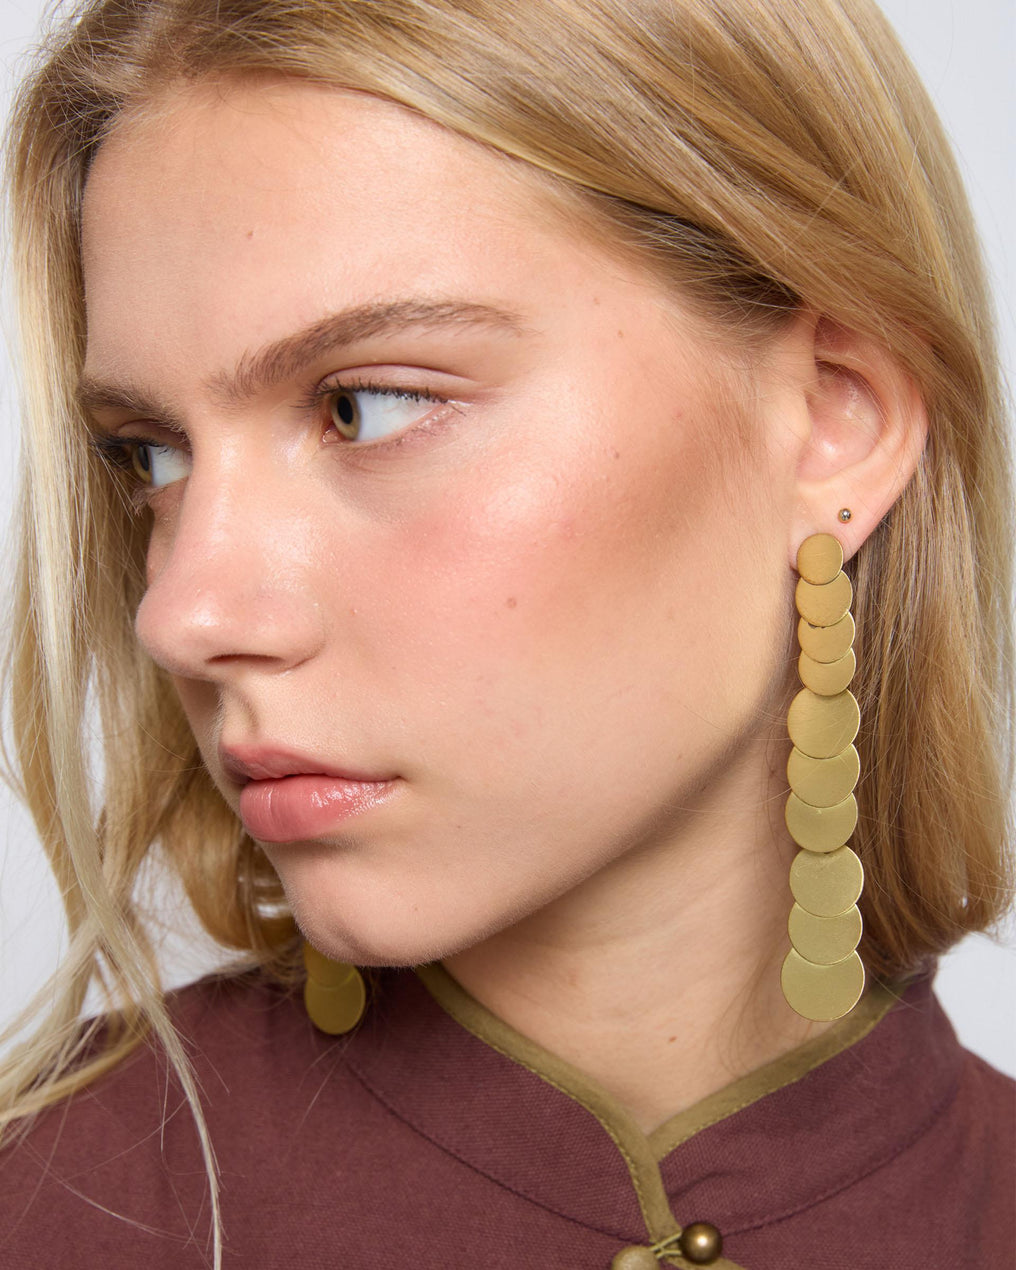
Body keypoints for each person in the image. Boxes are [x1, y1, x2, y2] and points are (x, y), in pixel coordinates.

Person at [0, 0, 1012, 1266]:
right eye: (150, 455)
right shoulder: (52, 1208)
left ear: (828, 419)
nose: (184, 612)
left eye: (365, 405)